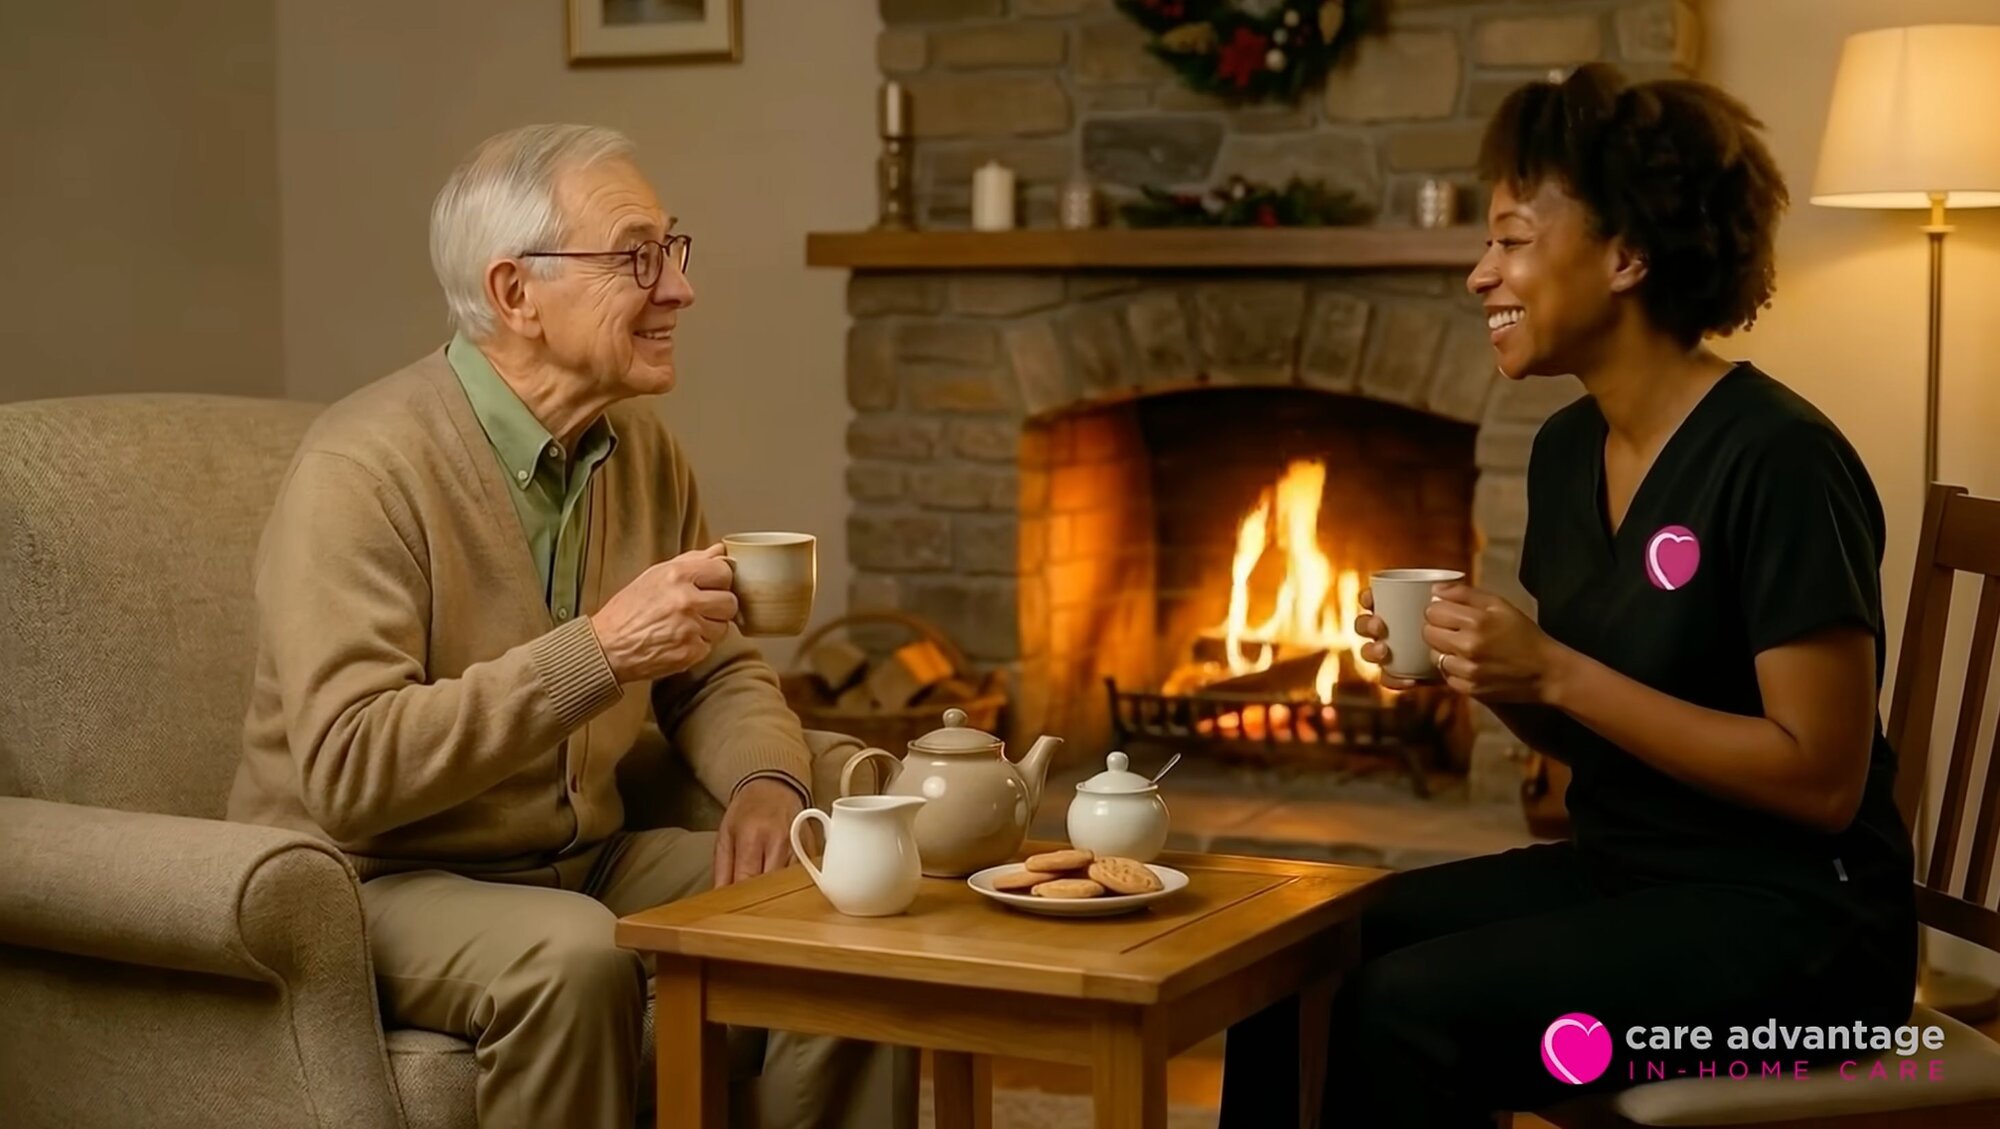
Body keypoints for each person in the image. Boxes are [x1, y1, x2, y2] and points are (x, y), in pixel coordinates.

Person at [1217, 64, 1917, 1128]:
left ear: (1626, 255)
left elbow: (1819, 779)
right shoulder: (1565, 451)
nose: (1476, 275)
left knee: (1409, 1008)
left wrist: (1554, 668)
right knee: (1287, 952)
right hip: (1629, 875)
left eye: (1508, 240)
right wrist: (1485, 671)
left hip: (1804, 943)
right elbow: (1598, 729)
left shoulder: (1777, 458)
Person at [227, 124, 899, 1129]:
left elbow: (712, 670)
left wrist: (768, 783)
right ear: (514, 294)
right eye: (638, 257)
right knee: (573, 955)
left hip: (584, 855)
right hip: (374, 878)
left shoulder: (640, 452)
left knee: (839, 888)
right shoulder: (363, 471)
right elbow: (351, 770)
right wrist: (599, 651)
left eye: (672, 249)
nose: (679, 290)